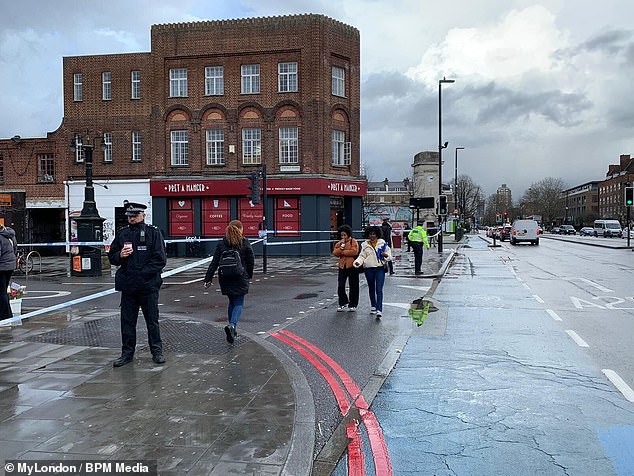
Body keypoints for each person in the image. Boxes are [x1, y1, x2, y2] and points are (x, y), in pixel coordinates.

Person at [108, 201, 167, 367]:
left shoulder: (153, 233)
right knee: (127, 322)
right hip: (128, 286)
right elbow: (112, 257)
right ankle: (127, 353)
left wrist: (142, 274)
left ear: (143, 215)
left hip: (148, 286)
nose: (132, 218)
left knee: (152, 321)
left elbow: (160, 259)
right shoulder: (122, 234)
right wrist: (120, 254)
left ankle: (157, 351)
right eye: (129, 216)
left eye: (135, 215)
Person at [204, 220, 255, 343]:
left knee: (231, 301)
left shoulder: (222, 243)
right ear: (240, 229)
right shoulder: (244, 242)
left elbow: (214, 262)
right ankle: (232, 325)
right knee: (238, 303)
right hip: (240, 277)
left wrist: (208, 278)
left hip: (225, 278)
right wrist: (249, 275)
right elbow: (251, 260)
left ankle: (233, 330)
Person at [353, 225, 392, 318]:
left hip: (379, 268)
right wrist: (358, 262)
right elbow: (362, 256)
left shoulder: (383, 244)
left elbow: (390, 256)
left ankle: (379, 309)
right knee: (371, 287)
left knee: (379, 289)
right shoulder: (365, 245)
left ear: (377, 234)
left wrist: (385, 255)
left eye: (374, 234)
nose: (372, 236)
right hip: (369, 268)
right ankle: (373, 306)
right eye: (370, 234)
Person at [332, 225, 359, 312]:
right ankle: (343, 302)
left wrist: (343, 252)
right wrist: (342, 248)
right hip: (342, 266)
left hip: (352, 266)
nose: (343, 237)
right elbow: (335, 252)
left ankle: (353, 304)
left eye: (344, 235)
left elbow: (354, 251)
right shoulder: (339, 243)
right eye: (341, 235)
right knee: (341, 285)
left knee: (353, 286)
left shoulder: (353, 241)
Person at [0, 224, 17, 320]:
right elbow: (15, 249)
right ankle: (8, 314)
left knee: (1, 292)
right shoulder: (10, 234)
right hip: (10, 266)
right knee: (4, 291)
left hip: (1, 267)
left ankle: (4, 315)